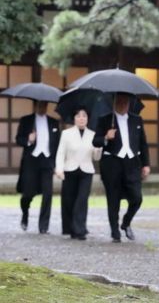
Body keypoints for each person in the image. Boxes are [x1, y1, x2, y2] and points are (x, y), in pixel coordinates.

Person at [92, 93, 150, 243]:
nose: (123, 104)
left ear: (130, 102)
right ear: (115, 102)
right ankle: (114, 231)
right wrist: (106, 137)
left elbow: (143, 143)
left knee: (137, 198)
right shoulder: (105, 119)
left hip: (132, 164)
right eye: (120, 101)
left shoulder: (136, 120)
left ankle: (126, 222)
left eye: (126, 101)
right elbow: (96, 141)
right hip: (112, 164)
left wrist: (146, 164)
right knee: (113, 199)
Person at [55, 107, 100, 240]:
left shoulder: (92, 134)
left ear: (88, 119)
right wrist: (59, 168)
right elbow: (61, 152)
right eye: (78, 116)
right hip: (70, 169)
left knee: (82, 200)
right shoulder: (66, 133)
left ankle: (80, 229)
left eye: (84, 116)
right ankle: (71, 228)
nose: (81, 118)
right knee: (69, 200)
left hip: (86, 171)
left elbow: (96, 157)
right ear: (74, 118)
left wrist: (99, 148)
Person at [16, 100, 60, 234]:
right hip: (31, 161)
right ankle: (25, 213)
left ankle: (43, 226)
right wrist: (28, 139)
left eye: (45, 104)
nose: (42, 107)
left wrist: (55, 163)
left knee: (48, 194)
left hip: (47, 161)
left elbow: (57, 143)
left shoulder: (54, 122)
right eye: (40, 104)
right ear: (35, 105)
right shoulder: (26, 120)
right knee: (28, 194)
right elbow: (18, 139)